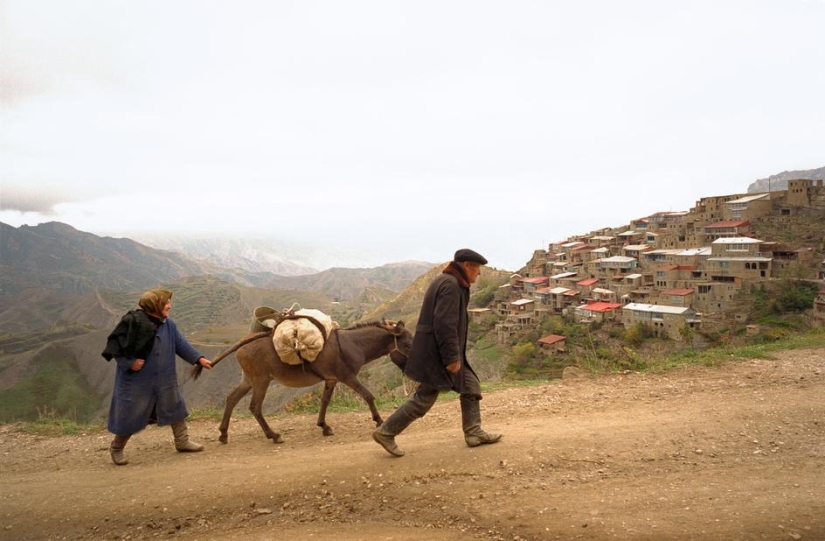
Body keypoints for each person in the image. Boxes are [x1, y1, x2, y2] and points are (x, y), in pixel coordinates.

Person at [373, 248, 502, 457]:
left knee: (471, 386)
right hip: (439, 356)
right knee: (424, 398)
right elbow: (445, 324)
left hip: (440, 352)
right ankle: (386, 432)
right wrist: (451, 358)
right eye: (477, 268)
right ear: (467, 265)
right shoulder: (450, 286)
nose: (479, 273)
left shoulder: (449, 281)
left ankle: (473, 432)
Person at [102, 288, 212, 465]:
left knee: (175, 407)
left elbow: (180, 344)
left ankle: (182, 441)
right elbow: (115, 348)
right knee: (131, 414)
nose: (170, 305)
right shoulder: (132, 323)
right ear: (154, 305)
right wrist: (130, 363)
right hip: (138, 382)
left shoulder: (168, 324)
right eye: (166, 302)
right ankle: (117, 448)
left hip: (164, 378)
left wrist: (198, 359)